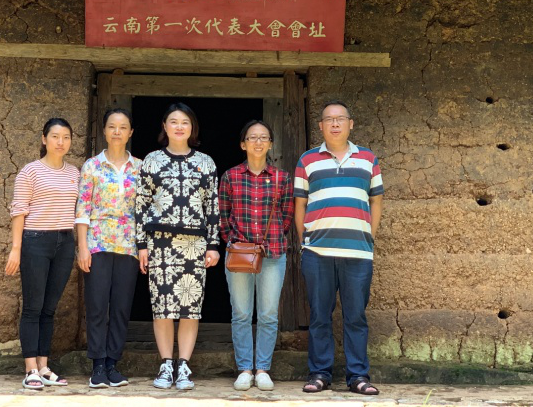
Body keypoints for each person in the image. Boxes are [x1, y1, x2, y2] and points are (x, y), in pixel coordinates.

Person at [294, 101, 384, 396]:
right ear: (321, 126)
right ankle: (320, 374)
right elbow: (300, 205)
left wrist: (368, 237)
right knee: (320, 316)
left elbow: (376, 201)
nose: (335, 124)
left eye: (340, 119)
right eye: (329, 120)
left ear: (350, 124)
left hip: (357, 253)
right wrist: (305, 242)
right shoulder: (307, 160)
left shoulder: (368, 159)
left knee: (355, 316)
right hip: (317, 253)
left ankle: (358, 376)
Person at [135, 102, 220, 391]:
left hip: (195, 244)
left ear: (192, 127)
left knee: (190, 308)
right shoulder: (152, 160)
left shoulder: (206, 162)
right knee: (162, 307)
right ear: (165, 126)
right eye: (173, 121)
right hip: (160, 243)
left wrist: (213, 244)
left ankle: (183, 365)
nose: (179, 126)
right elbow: (141, 204)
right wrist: (142, 244)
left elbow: (212, 207)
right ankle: (165, 364)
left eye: (185, 122)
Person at [4, 117, 80, 391]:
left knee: (49, 309)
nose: (61, 142)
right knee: (33, 308)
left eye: (66, 137)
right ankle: (30, 369)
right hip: (35, 242)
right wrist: (16, 249)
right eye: (55, 136)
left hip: (65, 242)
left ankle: (44, 367)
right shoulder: (30, 172)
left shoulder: (74, 173)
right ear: (44, 139)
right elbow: (19, 211)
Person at [219, 120, 293, 392]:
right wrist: (235, 242)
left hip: (272, 254)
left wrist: (270, 239)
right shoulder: (230, 177)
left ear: (271, 144)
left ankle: (262, 369)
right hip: (239, 255)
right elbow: (222, 216)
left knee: (268, 314)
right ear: (243, 144)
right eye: (252, 138)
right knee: (240, 313)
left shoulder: (282, 178)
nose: (258, 142)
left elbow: (286, 217)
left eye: (264, 138)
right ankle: (244, 369)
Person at [75, 108, 140, 389]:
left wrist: (144, 247)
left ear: (130, 132)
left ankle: (113, 362)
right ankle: (98, 365)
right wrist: (83, 247)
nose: (117, 131)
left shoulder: (140, 167)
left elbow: (145, 210)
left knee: (122, 306)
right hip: (97, 242)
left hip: (129, 245)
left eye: (123, 127)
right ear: (104, 131)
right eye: (112, 126)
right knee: (98, 305)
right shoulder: (92, 166)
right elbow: (82, 209)